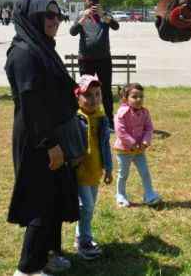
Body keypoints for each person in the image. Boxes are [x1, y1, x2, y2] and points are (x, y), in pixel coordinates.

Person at [5, 0, 83, 276]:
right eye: (49, 16)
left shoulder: (42, 48)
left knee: (56, 197)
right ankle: (27, 269)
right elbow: (32, 105)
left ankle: (47, 255)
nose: (55, 21)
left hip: (53, 132)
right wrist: (49, 144)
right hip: (38, 137)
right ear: (34, 18)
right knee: (41, 201)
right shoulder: (24, 53)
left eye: (58, 16)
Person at [72, 74, 113, 260]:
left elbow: (105, 145)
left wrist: (109, 169)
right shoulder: (74, 118)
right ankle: (84, 241)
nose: (93, 100)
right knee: (86, 207)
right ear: (77, 97)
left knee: (89, 207)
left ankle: (81, 236)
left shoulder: (101, 118)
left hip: (95, 170)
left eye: (97, 95)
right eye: (87, 95)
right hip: (79, 171)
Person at [70, 0, 120, 121]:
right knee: (85, 90)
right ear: (85, 0)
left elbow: (116, 26)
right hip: (86, 59)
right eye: (90, 0)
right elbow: (72, 32)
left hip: (104, 58)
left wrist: (103, 14)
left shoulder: (105, 14)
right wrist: (83, 18)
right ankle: (85, 118)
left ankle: (109, 119)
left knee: (106, 90)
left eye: (96, 0)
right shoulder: (81, 15)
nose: (93, 3)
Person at [113, 83, 161, 208]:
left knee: (145, 172)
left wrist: (146, 141)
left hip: (139, 150)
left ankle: (149, 194)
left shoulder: (145, 112)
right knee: (123, 173)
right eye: (134, 97)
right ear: (125, 98)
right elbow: (120, 132)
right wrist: (133, 143)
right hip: (124, 150)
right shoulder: (121, 113)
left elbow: (149, 128)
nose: (138, 99)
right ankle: (120, 195)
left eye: (141, 97)